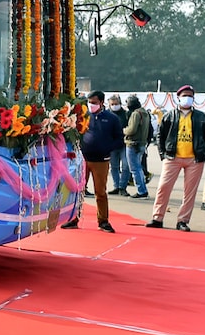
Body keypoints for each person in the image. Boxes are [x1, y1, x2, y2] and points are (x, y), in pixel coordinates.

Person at [147, 85, 205, 232]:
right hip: (172, 157)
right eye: (184, 95)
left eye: (190, 95)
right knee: (163, 187)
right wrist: (163, 154)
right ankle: (157, 218)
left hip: (194, 159)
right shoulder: (170, 115)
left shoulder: (201, 117)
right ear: (178, 97)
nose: (187, 98)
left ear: (193, 99)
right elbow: (160, 135)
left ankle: (183, 221)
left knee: (189, 192)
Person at [61, 90, 123, 233]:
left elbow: (119, 140)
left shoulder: (112, 119)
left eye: (94, 103)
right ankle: (73, 218)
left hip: (101, 160)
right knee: (77, 190)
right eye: (89, 102)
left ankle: (103, 221)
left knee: (100, 192)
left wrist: (106, 148)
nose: (91, 105)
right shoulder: (83, 116)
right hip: (82, 159)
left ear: (102, 102)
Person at [123, 95, 150, 199]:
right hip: (142, 143)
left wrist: (124, 130)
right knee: (139, 168)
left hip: (133, 143)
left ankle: (141, 191)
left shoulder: (135, 114)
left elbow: (132, 130)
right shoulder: (145, 113)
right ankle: (142, 190)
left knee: (135, 169)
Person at [106, 94, 131, 196]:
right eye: (112, 104)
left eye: (116, 104)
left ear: (120, 104)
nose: (114, 106)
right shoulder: (107, 114)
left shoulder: (126, 114)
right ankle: (116, 186)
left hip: (124, 144)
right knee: (114, 167)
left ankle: (122, 187)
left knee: (126, 166)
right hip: (112, 145)